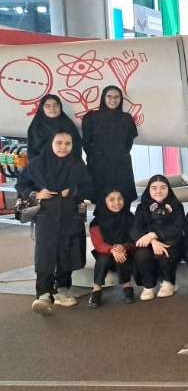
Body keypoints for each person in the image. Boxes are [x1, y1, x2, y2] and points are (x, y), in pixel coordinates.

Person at [17, 131, 92, 314]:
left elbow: (88, 187)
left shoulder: (77, 164)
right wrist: (36, 194)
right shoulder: (37, 163)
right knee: (45, 253)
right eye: (59, 143)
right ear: (51, 143)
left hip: (70, 215)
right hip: (46, 216)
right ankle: (43, 294)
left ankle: (62, 290)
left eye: (67, 143)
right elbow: (21, 185)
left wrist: (73, 191)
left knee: (67, 250)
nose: (63, 147)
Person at [81, 85, 138, 207]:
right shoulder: (91, 117)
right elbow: (86, 142)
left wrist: (118, 155)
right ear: (103, 97)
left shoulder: (127, 118)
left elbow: (129, 143)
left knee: (122, 200)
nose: (113, 100)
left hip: (121, 166)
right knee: (101, 201)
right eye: (109, 96)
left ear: (121, 99)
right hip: (98, 165)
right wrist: (97, 157)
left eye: (116, 97)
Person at [131, 174, 185, 301]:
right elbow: (135, 229)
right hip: (149, 243)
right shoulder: (142, 207)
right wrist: (153, 240)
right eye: (154, 188)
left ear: (168, 189)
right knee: (142, 254)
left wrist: (154, 234)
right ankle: (148, 286)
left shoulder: (177, 206)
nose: (158, 191)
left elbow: (178, 228)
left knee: (164, 250)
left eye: (163, 187)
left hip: (171, 241)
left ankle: (168, 282)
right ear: (148, 189)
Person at [88, 188, 135, 309]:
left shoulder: (130, 217)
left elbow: (135, 239)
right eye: (112, 200)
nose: (117, 202)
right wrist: (113, 249)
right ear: (104, 202)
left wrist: (123, 247)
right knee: (103, 258)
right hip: (105, 253)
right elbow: (98, 244)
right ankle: (96, 289)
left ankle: (127, 285)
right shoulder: (96, 222)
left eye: (120, 199)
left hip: (127, 253)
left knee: (122, 254)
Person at [27, 94, 81, 161]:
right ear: (42, 108)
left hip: (67, 164)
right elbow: (31, 152)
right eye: (47, 106)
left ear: (60, 107)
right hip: (40, 165)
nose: (52, 108)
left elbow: (76, 151)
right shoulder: (36, 126)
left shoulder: (68, 125)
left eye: (55, 105)